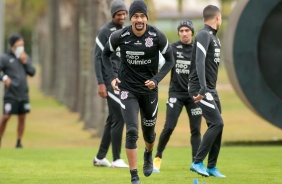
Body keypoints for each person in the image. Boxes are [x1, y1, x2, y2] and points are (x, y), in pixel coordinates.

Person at [102, 0, 174, 183]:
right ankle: (134, 176)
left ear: (146, 18)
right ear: (130, 18)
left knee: (149, 133)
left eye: (142, 16)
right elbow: (104, 54)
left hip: (149, 91)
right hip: (127, 90)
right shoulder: (120, 35)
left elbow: (170, 60)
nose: (139, 19)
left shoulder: (157, 35)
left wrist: (156, 80)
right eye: (135, 16)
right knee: (132, 130)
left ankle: (148, 154)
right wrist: (111, 77)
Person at [153, 20, 202, 172]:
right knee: (169, 126)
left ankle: (196, 163)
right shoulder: (173, 48)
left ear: (192, 32)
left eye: (187, 30)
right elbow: (161, 64)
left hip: (194, 95)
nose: (184, 33)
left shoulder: (198, 49)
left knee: (196, 130)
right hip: (176, 94)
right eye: (181, 31)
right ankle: (157, 159)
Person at [188, 5, 226, 178]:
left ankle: (212, 167)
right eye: (221, 19)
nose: (221, 22)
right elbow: (199, 62)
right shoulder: (203, 34)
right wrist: (203, 87)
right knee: (217, 123)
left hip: (211, 88)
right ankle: (197, 162)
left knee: (217, 125)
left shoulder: (215, 38)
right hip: (200, 88)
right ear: (217, 18)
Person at [93, 0, 129, 168]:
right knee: (119, 117)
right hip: (109, 81)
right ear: (112, 14)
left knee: (112, 118)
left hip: (122, 82)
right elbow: (98, 58)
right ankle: (116, 159)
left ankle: (100, 157)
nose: (122, 17)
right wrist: (101, 83)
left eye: (124, 14)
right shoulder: (104, 32)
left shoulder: (125, 31)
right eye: (119, 14)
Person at [0, 34, 36, 148]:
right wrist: (4, 78)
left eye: (23, 44)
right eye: (19, 44)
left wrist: (25, 62)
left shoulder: (25, 57)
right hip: (10, 93)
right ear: (13, 45)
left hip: (23, 93)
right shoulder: (5, 58)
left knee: (22, 117)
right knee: (6, 117)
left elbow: (32, 72)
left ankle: (19, 142)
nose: (22, 46)